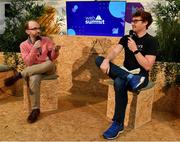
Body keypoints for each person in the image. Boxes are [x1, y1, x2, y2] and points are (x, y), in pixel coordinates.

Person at [95, 9, 159, 140]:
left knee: (119, 82)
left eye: (136, 21)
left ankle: (118, 124)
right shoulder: (126, 38)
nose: (133, 23)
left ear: (145, 23)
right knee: (99, 60)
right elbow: (114, 51)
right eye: (132, 21)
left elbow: (147, 66)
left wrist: (135, 50)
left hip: (141, 77)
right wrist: (107, 60)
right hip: (127, 73)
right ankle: (129, 77)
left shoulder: (151, 41)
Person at [4, 20, 61, 123]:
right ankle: (35, 109)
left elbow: (52, 58)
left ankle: (19, 75)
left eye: (39, 28)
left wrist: (55, 51)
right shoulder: (23, 45)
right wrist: (34, 48)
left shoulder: (46, 40)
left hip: (48, 68)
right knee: (34, 78)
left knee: (49, 63)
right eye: (34, 28)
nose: (38, 30)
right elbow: (29, 63)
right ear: (27, 31)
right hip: (34, 70)